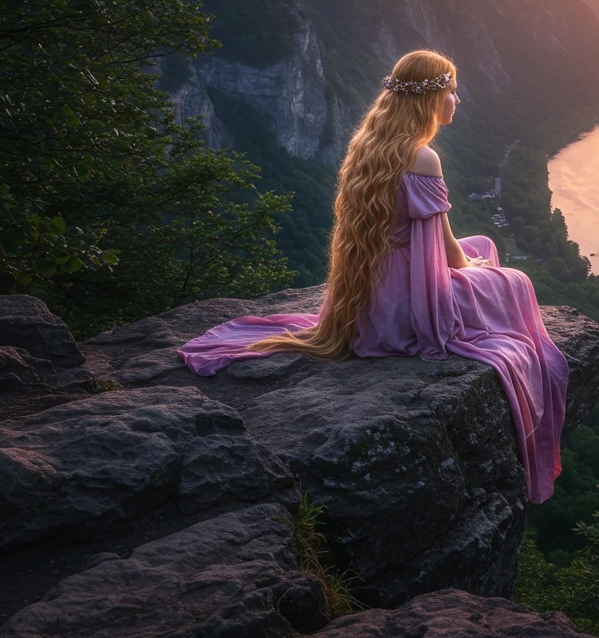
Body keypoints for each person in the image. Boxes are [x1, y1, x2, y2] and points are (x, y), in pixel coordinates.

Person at [176, 50, 569, 504]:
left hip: (374, 288)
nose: (458, 100)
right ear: (431, 99)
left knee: (483, 245)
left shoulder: (370, 144)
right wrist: (476, 270)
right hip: (408, 301)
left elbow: (435, 238)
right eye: (451, 90)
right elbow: (446, 249)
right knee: (515, 281)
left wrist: (471, 261)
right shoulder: (422, 157)